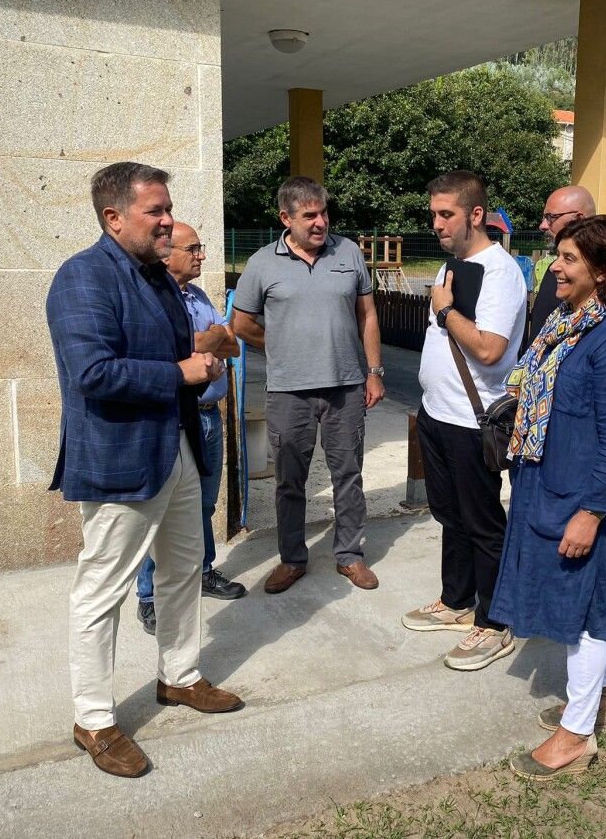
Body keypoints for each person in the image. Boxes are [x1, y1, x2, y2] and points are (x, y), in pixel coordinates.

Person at [47, 162, 244, 779]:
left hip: (177, 447)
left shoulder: (157, 277)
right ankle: (94, 720)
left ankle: (179, 676)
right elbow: (92, 374)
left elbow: (169, 357)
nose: (168, 221)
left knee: (184, 569)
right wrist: (179, 374)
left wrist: (199, 365)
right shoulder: (81, 279)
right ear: (113, 217)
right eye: (155, 212)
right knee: (101, 592)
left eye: (167, 209)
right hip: (122, 461)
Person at [489, 215, 606, 780]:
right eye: (557, 256)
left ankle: (576, 734)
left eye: (569, 259)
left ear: (603, 271)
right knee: (595, 597)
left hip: (579, 496)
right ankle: (600, 696)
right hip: (543, 483)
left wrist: (590, 512)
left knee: (578, 613)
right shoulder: (566, 323)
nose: (554, 267)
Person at [232, 177, 384, 594]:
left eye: (324, 213)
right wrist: (280, 344)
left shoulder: (348, 252)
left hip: (346, 388)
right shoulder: (262, 263)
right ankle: (292, 558)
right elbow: (241, 324)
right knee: (289, 480)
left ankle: (350, 556)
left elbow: (367, 315)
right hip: (289, 392)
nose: (320, 222)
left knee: (348, 474)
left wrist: (375, 371)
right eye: (309, 215)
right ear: (286, 218)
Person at [402, 170, 527, 671]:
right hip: (436, 414)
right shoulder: (451, 266)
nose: (436, 223)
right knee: (448, 515)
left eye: (446, 213)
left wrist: (447, 308)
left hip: (472, 421)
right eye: (433, 213)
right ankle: (456, 602)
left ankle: (495, 624)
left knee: (482, 523)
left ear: (476, 215)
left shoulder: (500, 272)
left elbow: (491, 350)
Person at [135, 221, 245, 636]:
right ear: (168, 253)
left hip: (208, 416)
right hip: (173, 415)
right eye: (194, 248)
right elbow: (177, 348)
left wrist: (210, 337)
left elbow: (231, 343)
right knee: (158, 512)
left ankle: (202, 570)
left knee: (202, 503)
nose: (202, 255)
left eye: (202, 247)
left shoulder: (196, 295)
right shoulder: (153, 297)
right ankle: (148, 596)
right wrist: (206, 339)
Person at [528, 186, 596, 343]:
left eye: (551, 217)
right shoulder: (554, 269)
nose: (543, 225)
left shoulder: (601, 276)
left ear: (579, 220)